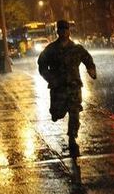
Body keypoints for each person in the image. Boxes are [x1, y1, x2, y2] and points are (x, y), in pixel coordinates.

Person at [38, 20, 97, 154]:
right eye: (61, 29)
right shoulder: (51, 49)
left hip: (74, 87)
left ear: (69, 31)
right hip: (58, 88)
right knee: (57, 113)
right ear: (57, 31)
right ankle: (56, 113)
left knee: (74, 111)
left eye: (66, 29)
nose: (64, 32)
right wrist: (50, 78)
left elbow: (87, 59)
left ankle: (72, 138)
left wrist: (91, 70)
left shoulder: (76, 49)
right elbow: (42, 65)